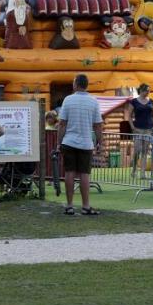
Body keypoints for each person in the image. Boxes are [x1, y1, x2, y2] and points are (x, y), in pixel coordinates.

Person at [58, 73, 103, 216]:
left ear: (76, 84)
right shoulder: (93, 101)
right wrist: (99, 142)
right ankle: (85, 206)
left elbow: (62, 124)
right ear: (86, 85)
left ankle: (70, 205)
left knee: (69, 173)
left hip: (69, 142)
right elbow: (98, 126)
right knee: (85, 174)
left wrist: (59, 142)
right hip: (86, 143)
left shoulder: (68, 100)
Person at [127, 84, 153, 178]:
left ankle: (142, 173)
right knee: (137, 150)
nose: (148, 92)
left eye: (149, 90)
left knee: (145, 151)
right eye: (147, 90)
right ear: (141, 91)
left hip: (148, 129)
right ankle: (134, 169)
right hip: (138, 129)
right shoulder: (134, 102)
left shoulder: (151, 101)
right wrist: (132, 127)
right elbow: (129, 116)